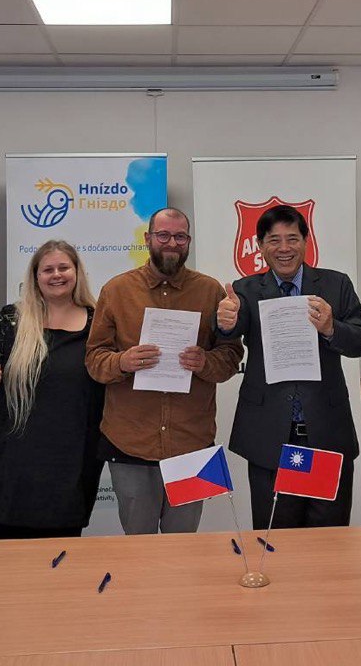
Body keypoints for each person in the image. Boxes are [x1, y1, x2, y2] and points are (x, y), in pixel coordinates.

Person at [86, 207, 243, 534]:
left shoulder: (210, 291)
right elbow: (94, 360)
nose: (172, 243)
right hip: (129, 442)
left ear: (188, 241)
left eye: (180, 236)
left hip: (193, 443)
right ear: (148, 239)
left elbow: (231, 356)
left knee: (185, 546)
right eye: (164, 235)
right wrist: (122, 362)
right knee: (139, 548)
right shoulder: (116, 290)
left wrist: (205, 362)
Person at [218, 204, 361, 529]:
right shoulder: (245, 290)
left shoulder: (336, 284)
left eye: (292, 239)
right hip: (270, 434)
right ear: (260, 246)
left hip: (325, 432)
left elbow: (360, 342)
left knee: (327, 535)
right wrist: (226, 323)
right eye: (274, 240)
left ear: (306, 241)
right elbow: (230, 329)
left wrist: (331, 327)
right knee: (276, 536)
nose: (284, 248)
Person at [0, 240, 104, 538]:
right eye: (48, 269)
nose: (56, 275)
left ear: (77, 272)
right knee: (12, 552)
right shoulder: (11, 319)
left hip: (71, 457)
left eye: (63, 267)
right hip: (12, 457)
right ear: (35, 276)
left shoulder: (99, 321)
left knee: (63, 549)